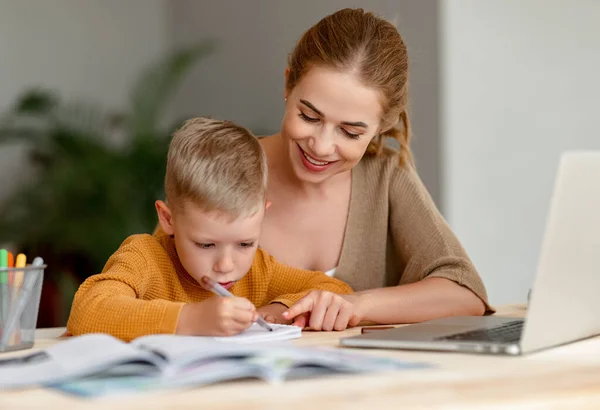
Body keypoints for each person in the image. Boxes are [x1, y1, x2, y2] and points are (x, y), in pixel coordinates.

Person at [256, 8, 494, 329]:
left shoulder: (385, 177)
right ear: (288, 86)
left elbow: (465, 293)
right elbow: (164, 290)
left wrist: (355, 305)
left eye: (350, 132)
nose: (322, 146)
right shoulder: (221, 167)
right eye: (309, 116)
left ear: (381, 126)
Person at [67, 117, 353, 342]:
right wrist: (190, 319)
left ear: (261, 218)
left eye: (244, 244)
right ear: (168, 219)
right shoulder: (145, 257)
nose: (226, 265)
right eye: (205, 245)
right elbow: (86, 310)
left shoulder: (259, 270)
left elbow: (335, 289)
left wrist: (279, 310)